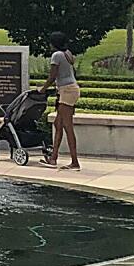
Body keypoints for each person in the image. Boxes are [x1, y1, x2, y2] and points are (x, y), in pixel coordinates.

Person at [44, 32, 81, 169]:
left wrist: (43, 89)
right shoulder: (67, 53)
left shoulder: (56, 55)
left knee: (67, 126)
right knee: (58, 124)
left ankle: (74, 162)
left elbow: (53, 76)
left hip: (67, 90)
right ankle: (53, 158)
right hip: (70, 89)